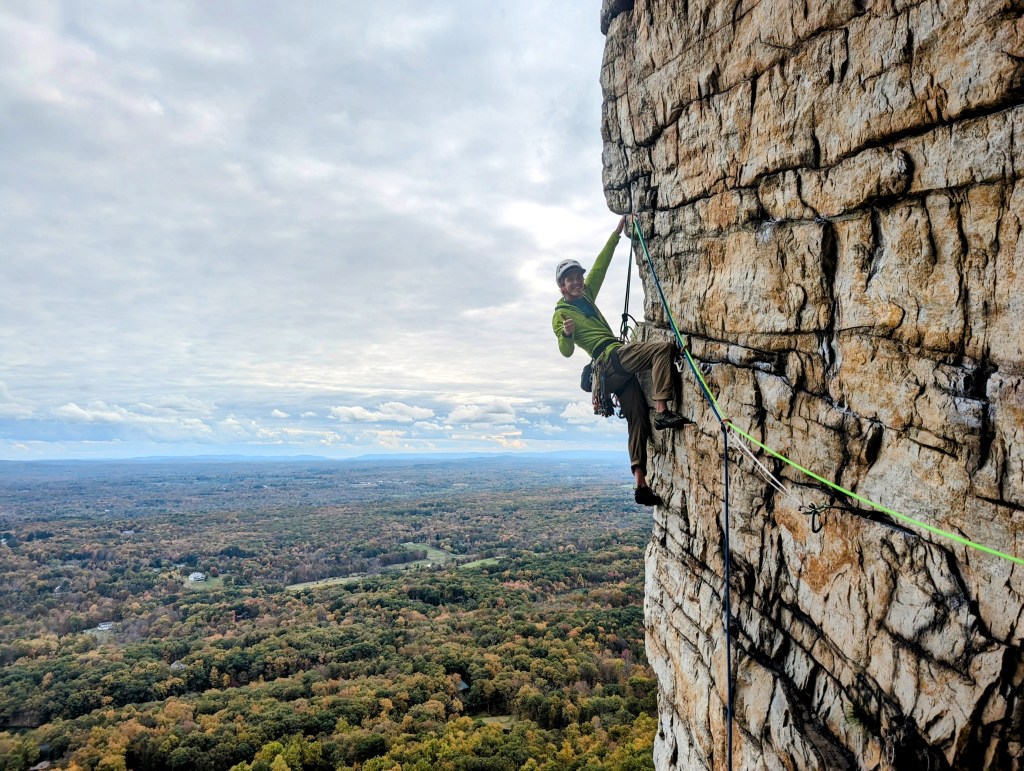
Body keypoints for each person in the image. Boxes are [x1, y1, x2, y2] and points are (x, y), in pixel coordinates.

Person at [552, 215, 692, 506]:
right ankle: (663, 410)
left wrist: (617, 232)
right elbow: (565, 351)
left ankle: (641, 485)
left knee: (637, 419)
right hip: (609, 358)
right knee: (662, 350)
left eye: (578, 277)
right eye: (570, 279)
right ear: (562, 286)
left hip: (612, 376)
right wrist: (566, 334)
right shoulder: (561, 314)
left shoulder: (587, 295)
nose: (576, 281)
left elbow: (601, 266)